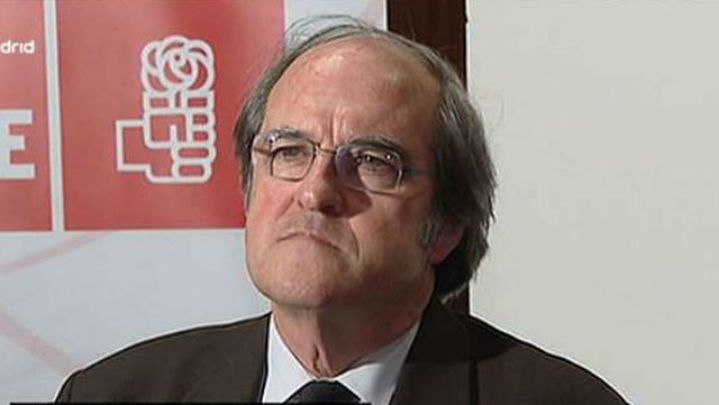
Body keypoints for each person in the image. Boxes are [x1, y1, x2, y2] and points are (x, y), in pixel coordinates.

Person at [56, 18, 628, 404]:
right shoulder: (114, 393)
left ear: (447, 225)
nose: (316, 192)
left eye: (373, 162)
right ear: (249, 189)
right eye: (288, 152)